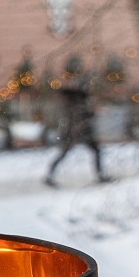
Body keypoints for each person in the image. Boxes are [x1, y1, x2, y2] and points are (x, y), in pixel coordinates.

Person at [45, 56, 110, 187]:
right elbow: (79, 116)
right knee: (66, 153)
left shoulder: (76, 99)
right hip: (75, 132)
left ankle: (100, 174)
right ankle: (50, 176)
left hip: (77, 132)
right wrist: (93, 113)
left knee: (93, 151)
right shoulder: (76, 100)